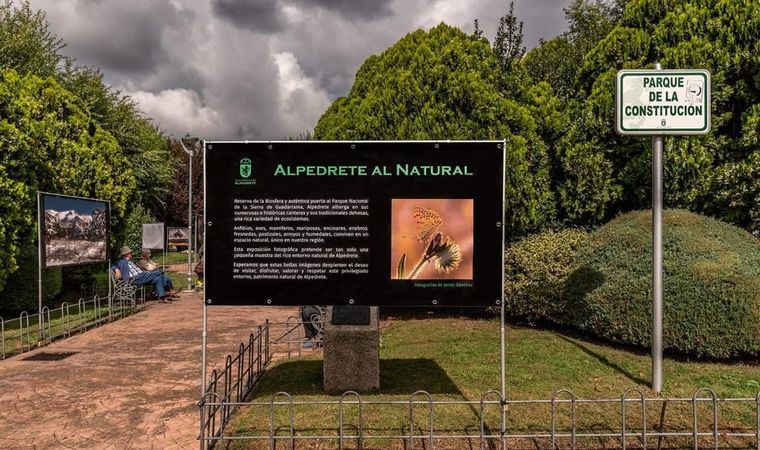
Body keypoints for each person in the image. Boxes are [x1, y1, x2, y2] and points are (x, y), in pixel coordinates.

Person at [112, 246, 178, 303]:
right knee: (158, 272)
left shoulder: (130, 261)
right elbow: (112, 266)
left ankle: (162, 298)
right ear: (126, 254)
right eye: (130, 252)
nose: (131, 253)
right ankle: (167, 291)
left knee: (158, 279)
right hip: (135, 279)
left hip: (141, 276)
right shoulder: (121, 262)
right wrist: (116, 269)